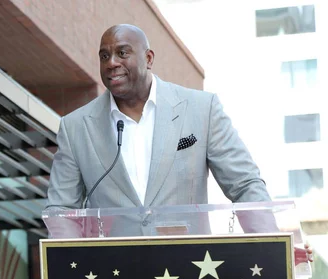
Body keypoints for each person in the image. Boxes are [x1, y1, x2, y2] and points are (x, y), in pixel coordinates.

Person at [46, 24, 271, 237]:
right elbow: (62, 209)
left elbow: (244, 184)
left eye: (122, 53)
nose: (111, 63)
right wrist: (67, 263)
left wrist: (273, 245)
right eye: (104, 56)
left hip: (189, 268)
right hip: (113, 271)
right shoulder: (75, 127)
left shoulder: (202, 109)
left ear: (148, 58)